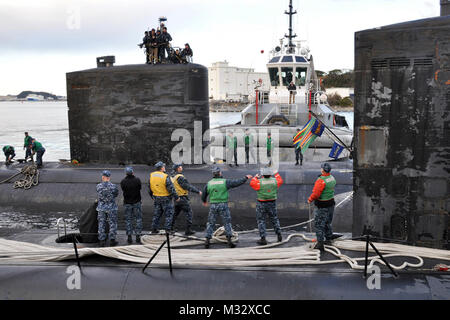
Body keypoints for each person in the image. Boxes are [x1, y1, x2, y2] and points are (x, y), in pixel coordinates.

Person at [201, 167, 252, 248]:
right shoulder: (225, 182)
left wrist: (204, 201)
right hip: (223, 204)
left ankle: (207, 240)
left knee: (211, 223)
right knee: (227, 222)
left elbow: (204, 194)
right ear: (220, 173)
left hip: (213, 205)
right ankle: (229, 241)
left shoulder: (209, 183)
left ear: (213, 174)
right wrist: (245, 178)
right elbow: (236, 182)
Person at [307, 163, 340, 252]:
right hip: (330, 203)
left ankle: (320, 243)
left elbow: (316, 194)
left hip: (322, 205)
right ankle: (329, 237)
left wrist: (310, 199)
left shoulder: (321, 181)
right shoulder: (332, 178)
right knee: (327, 222)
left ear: (322, 170)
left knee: (319, 224)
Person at [250, 167, 283, 245]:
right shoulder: (275, 181)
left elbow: (252, 183)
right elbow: (280, 181)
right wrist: (276, 174)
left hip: (262, 203)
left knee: (261, 220)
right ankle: (279, 235)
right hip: (272, 203)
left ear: (262, 174)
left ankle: (263, 238)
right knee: (274, 219)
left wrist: (255, 177)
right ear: (270, 174)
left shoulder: (259, 182)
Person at [170, 164, 202, 235]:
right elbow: (187, 186)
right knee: (189, 213)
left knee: (175, 214)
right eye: (180, 167)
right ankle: (188, 230)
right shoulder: (180, 177)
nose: (181, 167)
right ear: (178, 168)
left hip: (176, 198)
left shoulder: (173, 177)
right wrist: (197, 191)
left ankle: (170, 228)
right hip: (182, 198)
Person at [149, 161, 179, 233]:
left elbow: (149, 188)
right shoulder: (165, 176)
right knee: (169, 214)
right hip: (166, 198)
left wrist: (152, 196)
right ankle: (168, 230)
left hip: (156, 197)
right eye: (164, 166)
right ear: (162, 168)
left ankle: (154, 229)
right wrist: (176, 197)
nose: (164, 168)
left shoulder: (151, 175)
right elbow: (171, 189)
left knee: (157, 214)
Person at [96, 170, 119, 247]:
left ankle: (102, 240)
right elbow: (116, 194)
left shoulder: (98, 186)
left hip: (101, 208)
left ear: (103, 177)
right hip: (111, 207)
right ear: (109, 177)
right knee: (112, 223)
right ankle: (112, 240)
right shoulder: (113, 186)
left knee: (101, 223)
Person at [120, 166, 143, 244]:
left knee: (128, 220)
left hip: (127, 203)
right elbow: (140, 188)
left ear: (126, 173)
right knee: (138, 219)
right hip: (137, 202)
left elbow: (123, 189)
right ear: (133, 172)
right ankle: (138, 236)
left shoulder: (123, 181)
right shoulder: (137, 180)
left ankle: (129, 236)